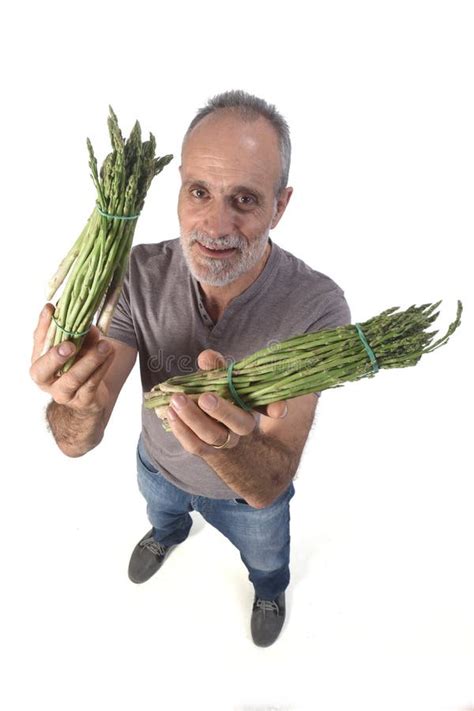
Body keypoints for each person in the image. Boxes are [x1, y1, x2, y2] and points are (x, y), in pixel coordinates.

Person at [30, 90, 351, 647]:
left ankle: (270, 587)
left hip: (246, 502)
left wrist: (224, 446)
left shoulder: (318, 308)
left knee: (267, 550)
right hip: (157, 467)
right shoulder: (137, 273)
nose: (214, 224)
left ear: (281, 205)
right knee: (162, 512)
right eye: (198, 191)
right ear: (178, 186)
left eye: (245, 199)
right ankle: (168, 531)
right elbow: (77, 440)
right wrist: (72, 403)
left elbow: (270, 479)